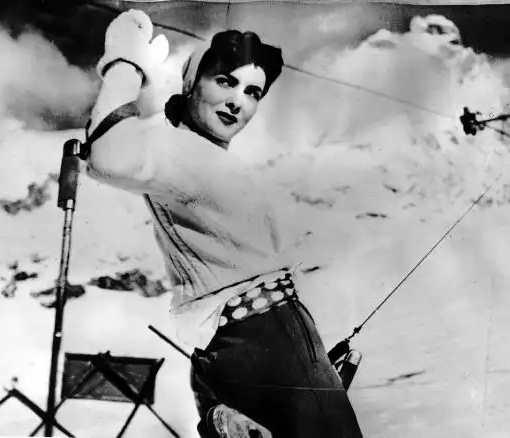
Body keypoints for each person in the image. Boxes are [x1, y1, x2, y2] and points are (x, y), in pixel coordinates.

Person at [85, 9, 363, 438]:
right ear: (192, 82)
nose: (238, 102)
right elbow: (107, 155)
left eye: (253, 92)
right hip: (264, 340)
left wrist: (312, 370)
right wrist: (125, 62)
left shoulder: (194, 154)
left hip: (243, 347)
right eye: (225, 81)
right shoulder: (185, 152)